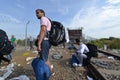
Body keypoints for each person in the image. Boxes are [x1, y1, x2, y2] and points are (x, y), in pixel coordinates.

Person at [35, 9, 52, 74]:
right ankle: (50, 72)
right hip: (47, 41)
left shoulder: (43, 18)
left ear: (42, 13)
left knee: (44, 60)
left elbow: (43, 30)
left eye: (38, 13)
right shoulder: (46, 19)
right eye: (36, 13)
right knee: (45, 58)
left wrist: (39, 43)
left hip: (45, 41)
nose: (36, 14)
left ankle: (48, 73)